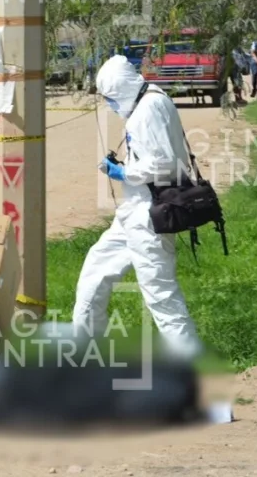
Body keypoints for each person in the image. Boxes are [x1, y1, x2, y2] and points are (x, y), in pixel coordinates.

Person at [75, 55, 201, 359]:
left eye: (109, 97)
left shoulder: (147, 110)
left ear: (119, 88)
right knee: (95, 272)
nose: (109, 104)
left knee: (161, 296)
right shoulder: (152, 99)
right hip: (134, 212)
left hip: (149, 215)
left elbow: (163, 162)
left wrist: (122, 173)